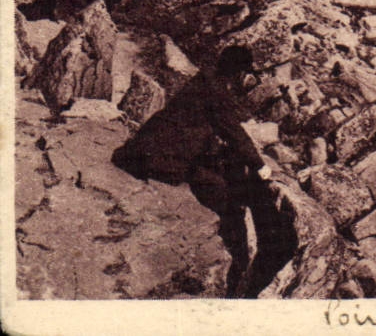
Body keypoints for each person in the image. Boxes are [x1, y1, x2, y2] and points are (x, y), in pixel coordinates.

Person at [114, 44, 296, 296]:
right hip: (160, 157)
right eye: (246, 73)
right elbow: (234, 133)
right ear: (239, 73)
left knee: (218, 171)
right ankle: (233, 255)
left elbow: (208, 126)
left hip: (150, 144)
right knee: (221, 193)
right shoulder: (216, 92)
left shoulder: (206, 81)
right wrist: (261, 166)